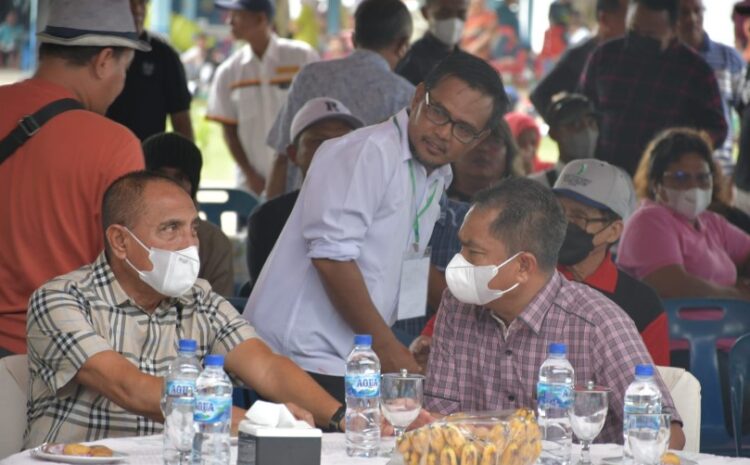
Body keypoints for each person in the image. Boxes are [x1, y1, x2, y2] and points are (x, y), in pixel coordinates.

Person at [247, 52, 508, 403]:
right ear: (417, 97)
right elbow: (332, 260)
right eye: (438, 113)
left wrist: (474, 318)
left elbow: (408, 259)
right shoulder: (367, 152)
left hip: (348, 361)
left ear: (478, 139)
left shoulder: (434, 173)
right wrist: (388, 348)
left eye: (462, 129)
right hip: (298, 360)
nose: (443, 133)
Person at [24, 171, 346, 447]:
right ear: (121, 242)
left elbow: (267, 367)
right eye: (170, 228)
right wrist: (252, 421)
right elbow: (129, 388)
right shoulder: (61, 299)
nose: (189, 243)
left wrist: (342, 418)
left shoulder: (200, 300)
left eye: (193, 228)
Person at [424, 177, 686, 448]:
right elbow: (439, 421)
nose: (459, 261)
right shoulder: (456, 306)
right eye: (461, 246)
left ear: (523, 266)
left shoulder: (597, 323)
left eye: (473, 252)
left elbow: (670, 439)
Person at [0, 0, 146, 357]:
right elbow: (133, 275)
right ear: (104, 60)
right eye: (124, 70)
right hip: (63, 360)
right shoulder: (116, 146)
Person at [264, 0, 415, 199]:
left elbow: (281, 157)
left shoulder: (310, 76)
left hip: (297, 214)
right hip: (364, 221)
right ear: (403, 45)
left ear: (353, 39)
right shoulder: (405, 96)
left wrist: (268, 221)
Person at [580, 0, 727, 176]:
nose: (640, 38)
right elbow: (584, 107)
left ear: (674, 30)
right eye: (634, 30)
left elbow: (717, 129)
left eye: (650, 35)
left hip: (660, 184)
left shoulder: (695, 72)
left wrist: (681, 149)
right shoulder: (604, 56)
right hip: (602, 175)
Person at [553, 159, 669, 366]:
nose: (564, 224)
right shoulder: (527, 279)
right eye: (558, 212)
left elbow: (653, 385)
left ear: (613, 231)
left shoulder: (642, 305)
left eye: (580, 217)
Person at [245, 97, 364, 286]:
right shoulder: (268, 219)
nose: (334, 149)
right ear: (293, 154)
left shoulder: (375, 209)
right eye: (319, 141)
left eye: (345, 140)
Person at [621, 127, 750, 300]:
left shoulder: (711, 222)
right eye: (681, 177)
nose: (693, 186)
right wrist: (738, 295)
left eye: (703, 177)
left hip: (726, 325)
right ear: (656, 184)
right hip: (678, 327)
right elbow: (673, 286)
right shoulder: (649, 220)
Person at [207, 0, 319, 195]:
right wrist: (250, 174)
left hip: (299, 184)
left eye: (237, 15)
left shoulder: (302, 58)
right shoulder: (229, 72)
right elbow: (229, 131)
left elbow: (317, 119)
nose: (229, 21)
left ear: (260, 18)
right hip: (251, 187)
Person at [142, 132, 235, 296]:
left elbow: (218, 313)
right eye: (160, 175)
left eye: (180, 177)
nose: (170, 185)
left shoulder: (214, 243)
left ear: (193, 187)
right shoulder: (122, 235)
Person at [106, 0, 193, 142]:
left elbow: (181, 117)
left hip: (147, 159)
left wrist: (185, 161)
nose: (137, 10)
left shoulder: (164, 54)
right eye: (130, 3)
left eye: (142, 3)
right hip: (101, 154)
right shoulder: (93, 49)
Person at [530, 0, 627, 122]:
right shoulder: (581, 54)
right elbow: (539, 95)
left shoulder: (626, 54)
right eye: (626, 15)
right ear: (605, 19)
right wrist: (564, 129)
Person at [677, 0, 744, 177]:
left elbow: (746, 116)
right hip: (672, 171)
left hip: (721, 172)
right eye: (684, 12)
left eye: (697, 11)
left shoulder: (729, 59)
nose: (692, 18)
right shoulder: (664, 60)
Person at [529, 92, 598, 187]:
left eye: (591, 123)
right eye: (576, 124)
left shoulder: (613, 181)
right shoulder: (537, 186)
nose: (587, 131)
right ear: (553, 134)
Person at [395, 0, 468, 86]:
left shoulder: (468, 64)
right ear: (425, 12)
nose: (454, 21)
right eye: (445, 13)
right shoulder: (409, 62)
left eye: (461, 14)